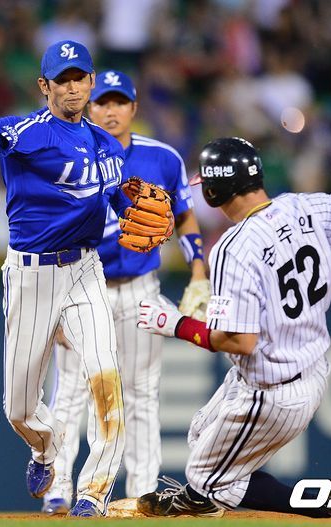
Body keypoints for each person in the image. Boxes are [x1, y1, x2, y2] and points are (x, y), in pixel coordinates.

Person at [135, 137, 331, 518]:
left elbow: (239, 341)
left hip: (271, 390)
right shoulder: (304, 205)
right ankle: (216, 493)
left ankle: (325, 511)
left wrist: (176, 325)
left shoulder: (233, 248)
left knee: (207, 482)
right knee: (201, 435)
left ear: (215, 191)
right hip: (305, 369)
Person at [0, 41, 144, 518]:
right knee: (19, 407)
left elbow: (120, 204)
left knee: (106, 374)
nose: (72, 87)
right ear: (44, 86)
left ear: (91, 81)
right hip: (32, 275)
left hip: (85, 269)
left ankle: (94, 492)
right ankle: (45, 448)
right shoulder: (28, 132)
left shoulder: (107, 144)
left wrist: (139, 215)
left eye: (79, 77)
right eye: (62, 79)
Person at [41, 69, 210, 515]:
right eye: (103, 102)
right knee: (72, 390)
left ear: (134, 108)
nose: (110, 110)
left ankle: (142, 491)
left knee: (140, 394)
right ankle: (58, 488)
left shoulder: (163, 158)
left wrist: (198, 270)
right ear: (89, 105)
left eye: (119, 102)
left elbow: (184, 216)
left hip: (139, 289)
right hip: (81, 285)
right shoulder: (64, 153)